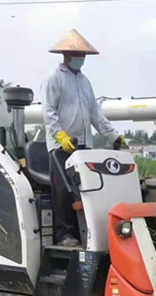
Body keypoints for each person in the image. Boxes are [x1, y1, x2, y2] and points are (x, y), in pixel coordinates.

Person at [44, 29, 125, 247]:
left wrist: (114, 136)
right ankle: (64, 236)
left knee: (87, 189)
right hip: (61, 146)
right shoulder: (54, 79)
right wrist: (60, 136)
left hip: (83, 146)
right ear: (67, 55)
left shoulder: (85, 82)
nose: (82, 59)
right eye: (79, 54)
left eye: (84, 55)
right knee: (64, 189)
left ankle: (88, 233)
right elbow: (48, 113)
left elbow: (96, 115)